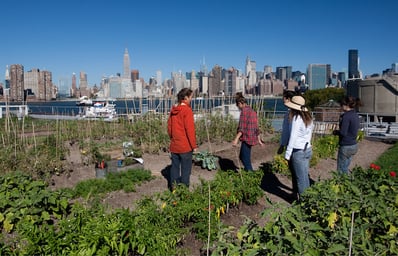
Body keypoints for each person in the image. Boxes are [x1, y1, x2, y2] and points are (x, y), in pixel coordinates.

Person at [167, 88, 198, 190]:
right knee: (186, 170)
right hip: (185, 146)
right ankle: (184, 192)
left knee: (175, 168)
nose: (191, 99)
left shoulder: (173, 111)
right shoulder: (187, 111)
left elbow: (169, 128)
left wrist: (173, 138)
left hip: (175, 145)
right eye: (191, 97)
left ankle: (174, 189)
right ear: (185, 98)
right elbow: (190, 130)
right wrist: (194, 146)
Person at [284, 95, 313, 198]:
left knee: (300, 179)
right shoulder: (308, 117)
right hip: (307, 149)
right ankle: (309, 199)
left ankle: (304, 203)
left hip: (298, 151)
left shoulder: (296, 118)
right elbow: (309, 134)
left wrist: (287, 155)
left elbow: (293, 137)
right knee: (305, 176)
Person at [232, 92, 264, 171]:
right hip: (252, 137)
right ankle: (248, 172)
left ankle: (250, 174)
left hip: (247, 138)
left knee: (245, 158)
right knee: (243, 156)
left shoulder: (244, 111)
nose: (238, 107)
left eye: (237, 105)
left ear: (240, 103)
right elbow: (256, 127)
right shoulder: (252, 111)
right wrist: (259, 140)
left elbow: (242, 128)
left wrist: (236, 139)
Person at [277, 90, 298, 198]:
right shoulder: (297, 112)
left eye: (284, 98)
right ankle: (296, 192)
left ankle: (297, 193)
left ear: (288, 99)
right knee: (297, 172)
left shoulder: (290, 113)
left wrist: (283, 146)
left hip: (293, 146)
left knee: (295, 171)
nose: (282, 100)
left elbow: (287, 132)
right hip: (300, 146)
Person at [333, 96, 361, 175]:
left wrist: (336, 132)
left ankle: (342, 185)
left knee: (341, 170)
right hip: (353, 144)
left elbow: (343, 132)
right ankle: (347, 184)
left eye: (341, 105)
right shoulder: (355, 114)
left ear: (345, 105)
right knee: (345, 167)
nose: (341, 107)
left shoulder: (346, 116)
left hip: (346, 145)